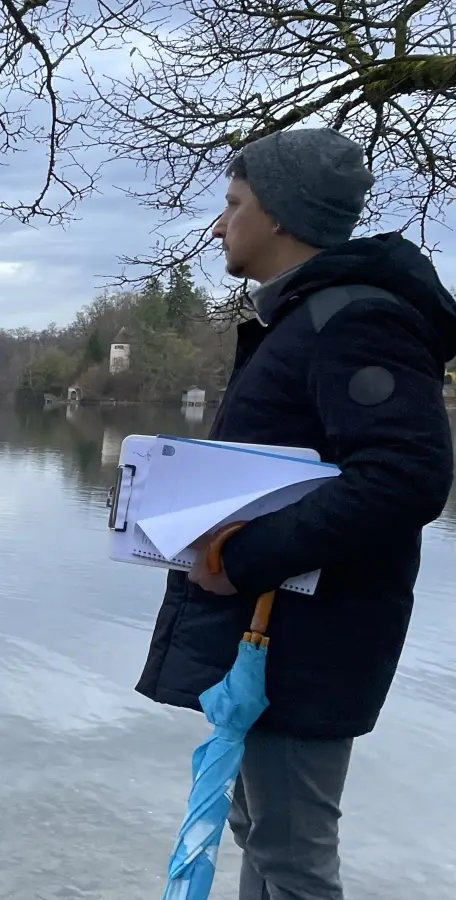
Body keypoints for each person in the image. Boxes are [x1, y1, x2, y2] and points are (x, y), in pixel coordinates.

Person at [134, 127, 456, 898]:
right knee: (265, 836)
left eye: (232, 204)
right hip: (282, 636)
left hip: (310, 638)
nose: (218, 224)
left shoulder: (352, 319)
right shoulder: (307, 319)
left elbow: (407, 476)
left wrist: (240, 556)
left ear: (278, 215)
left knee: (292, 853)